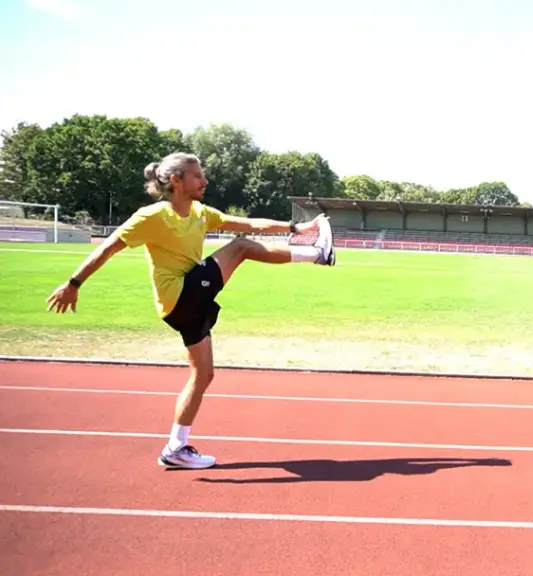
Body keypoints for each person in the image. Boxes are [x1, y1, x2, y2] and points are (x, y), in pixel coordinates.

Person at [44, 152, 336, 470]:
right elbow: (108, 247)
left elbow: (252, 224)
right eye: (197, 175)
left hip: (185, 307)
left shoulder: (200, 212)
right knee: (240, 247)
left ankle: (175, 447)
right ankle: (318, 254)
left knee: (204, 375)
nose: (205, 181)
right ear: (176, 180)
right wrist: (74, 283)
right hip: (180, 295)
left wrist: (298, 226)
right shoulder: (151, 216)